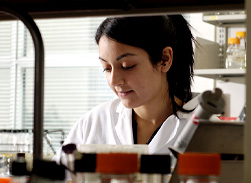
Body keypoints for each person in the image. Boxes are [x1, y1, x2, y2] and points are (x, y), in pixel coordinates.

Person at [53, 14, 196, 165]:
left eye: (127, 66)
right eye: (107, 68)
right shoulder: (94, 122)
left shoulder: (204, 130)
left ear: (164, 59)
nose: (114, 80)